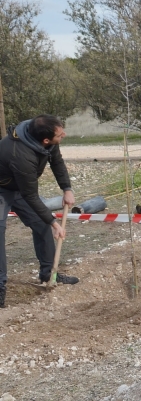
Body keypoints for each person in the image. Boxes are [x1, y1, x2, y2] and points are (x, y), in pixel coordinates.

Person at [0, 115, 79, 308]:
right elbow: (31, 196)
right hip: (2, 187)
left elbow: (57, 161)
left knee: (41, 223)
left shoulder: (46, 134)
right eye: (61, 135)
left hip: (18, 186)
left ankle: (48, 274)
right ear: (45, 140)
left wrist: (66, 188)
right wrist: (54, 223)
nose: (64, 135)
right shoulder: (20, 155)